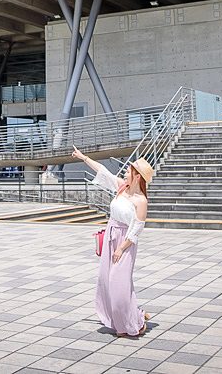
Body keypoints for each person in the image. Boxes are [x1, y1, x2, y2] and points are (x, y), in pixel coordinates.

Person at [72, 145, 152, 338]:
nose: (125, 171)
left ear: (137, 176)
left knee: (119, 284)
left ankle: (135, 322)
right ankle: (129, 319)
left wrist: (121, 249)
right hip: (111, 236)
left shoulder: (141, 201)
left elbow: (136, 230)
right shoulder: (121, 187)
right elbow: (102, 171)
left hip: (125, 242)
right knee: (106, 281)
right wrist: (84, 158)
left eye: (129, 170)